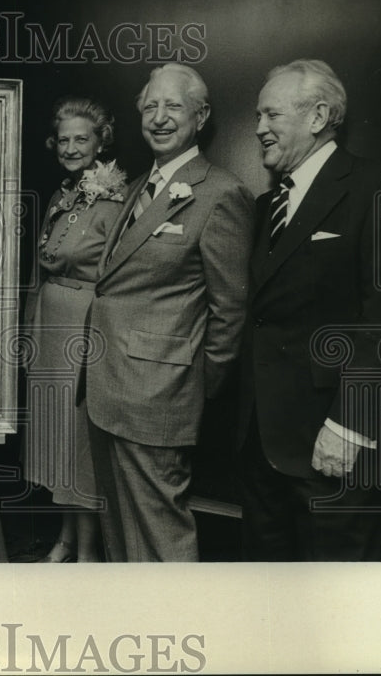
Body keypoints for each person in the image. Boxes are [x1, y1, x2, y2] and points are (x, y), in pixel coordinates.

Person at [84, 63, 255, 562]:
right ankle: (138, 629)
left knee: (160, 536)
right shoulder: (138, 185)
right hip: (106, 389)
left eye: (173, 107)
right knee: (119, 528)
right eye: (150, 106)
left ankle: (179, 628)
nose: (159, 117)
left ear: (199, 117)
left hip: (160, 399)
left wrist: (192, 389)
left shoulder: (220, 193)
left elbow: (230, 311)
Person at [237, 59, 381, 561]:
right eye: (257, 116)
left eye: (271, 115)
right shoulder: (268, 206)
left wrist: (349, 426)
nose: (259, 128)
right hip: (260, 448)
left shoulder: (377, 187)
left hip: (333, 450)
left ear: (317, 117)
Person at [23, 96, 126, 563]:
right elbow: (38, 271)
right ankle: (66, 538)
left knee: (82, 442)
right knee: (58, 437)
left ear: (100, 141)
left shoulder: (116, 200)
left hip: (85, 327)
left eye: (81, 139)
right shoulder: (60, 195)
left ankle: (87, 552)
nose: (70, 147)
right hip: (50, 322)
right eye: (63, 140)